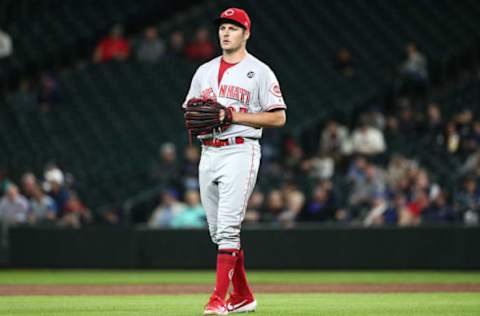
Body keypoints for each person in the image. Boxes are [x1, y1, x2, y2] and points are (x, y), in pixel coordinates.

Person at [182, 8, 286, 315]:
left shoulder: (260, 71)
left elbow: (279, 117)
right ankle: (242, 295)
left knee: (228, 230)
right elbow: (190, 111)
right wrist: (198, 119)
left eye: (233, 27)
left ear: (246, 33)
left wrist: (233, 115)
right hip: (208, 152)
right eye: (223, 28)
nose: (225, 32)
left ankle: (217, 299)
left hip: (241, 150)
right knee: (217, 233)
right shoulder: (203, 71)